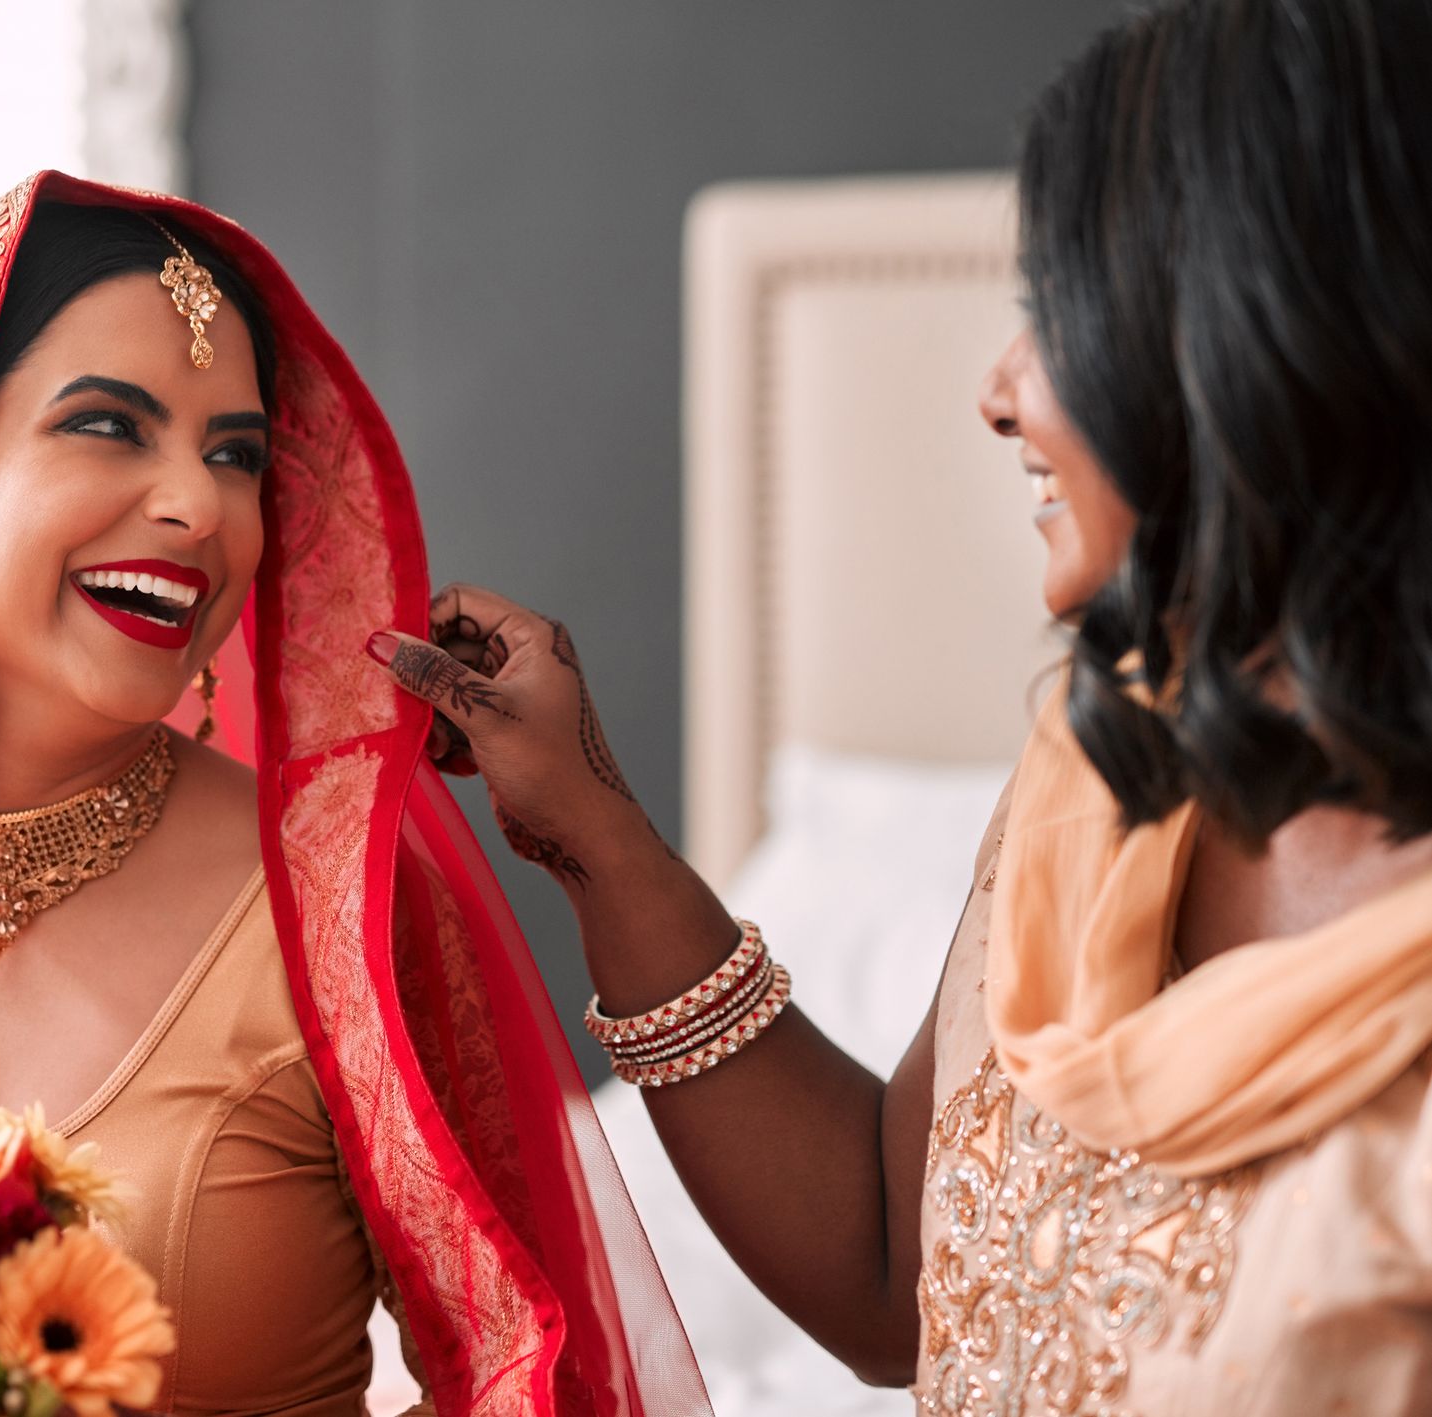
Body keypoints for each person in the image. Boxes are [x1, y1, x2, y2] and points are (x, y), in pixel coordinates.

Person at [368, 0, 1432, 1411]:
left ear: (1259, 335)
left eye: (1058, 316)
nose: (999, 397)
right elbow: (895, 1275)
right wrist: (591, 831)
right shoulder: (1097, 769)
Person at [0, 175, 710, 1416]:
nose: (197, 504)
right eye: (108, 424)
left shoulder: (328, 916)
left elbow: (526, 1373)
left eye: (236, 455)